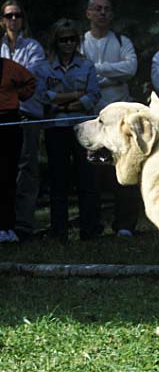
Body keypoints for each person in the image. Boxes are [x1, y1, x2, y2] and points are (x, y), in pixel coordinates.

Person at [36, 18, 101, 242]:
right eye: (63, 40)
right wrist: (75, 96)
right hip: (56, 128)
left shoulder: (87, 65)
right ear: (56, 42)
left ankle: (90, 230)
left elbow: (93, 95)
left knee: (87, 179)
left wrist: (63, 102)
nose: (68, 44)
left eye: (72, 39)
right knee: (58, 180)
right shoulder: (43, 67)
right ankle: (59, 231)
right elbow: (44, 97)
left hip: (83, 128)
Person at [82, 0, 141, 237]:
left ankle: (125, 225)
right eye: (97, 9)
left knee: (124, 168)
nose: (103, 13)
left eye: (107, 9)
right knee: (92, 173)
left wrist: (97, 72)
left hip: (120, 119)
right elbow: (81, 74)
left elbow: (131, 68)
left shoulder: (121, 40)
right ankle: (92, 225)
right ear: (88, 14)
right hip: (93, 117)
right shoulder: (81, 43)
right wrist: (110, 76)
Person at [0, 0, 46, 242]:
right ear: (2, 20)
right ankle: (5, 223)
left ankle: (24, 225)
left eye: (17, 15)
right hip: (4, 118)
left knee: (26, 170)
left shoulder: (34, 47)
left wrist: (7, 89)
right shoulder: (0, 48)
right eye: (9, 16)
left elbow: (32, 75)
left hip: (27, 114)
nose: (13, 20)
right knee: (4, 172)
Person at [0, 57, 36, 242]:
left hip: (8, 122)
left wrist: (18, 95)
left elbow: (30, 81)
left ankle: (8, 226)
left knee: (8, 176)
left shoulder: (9, 66)